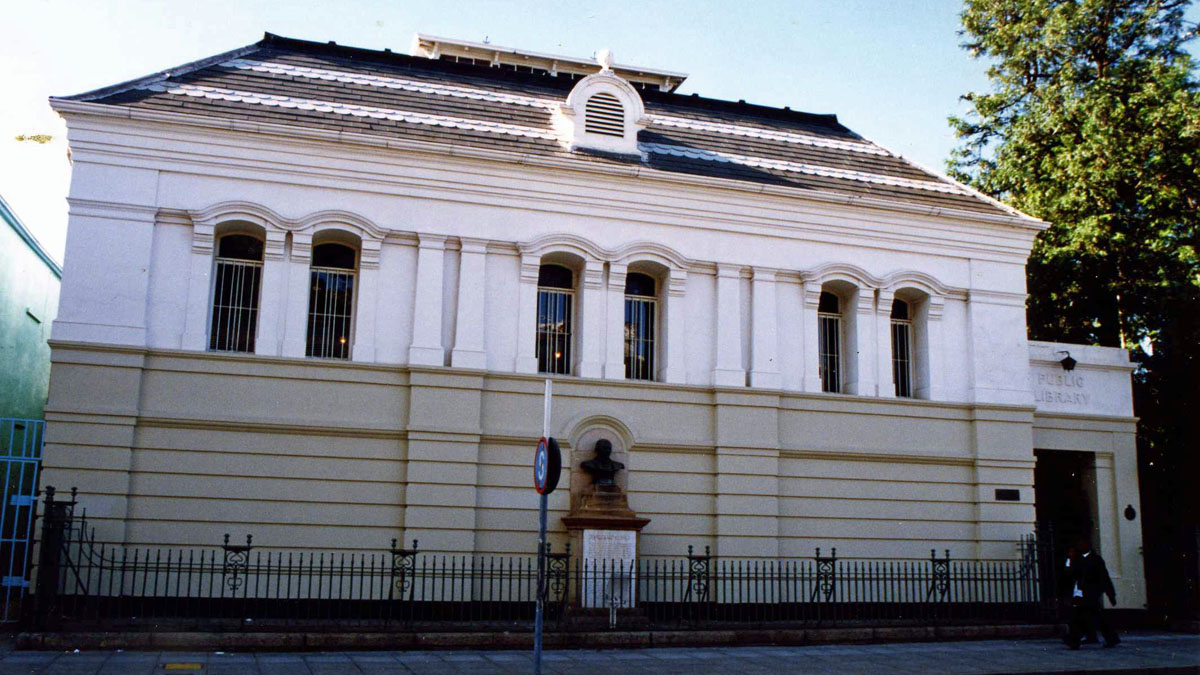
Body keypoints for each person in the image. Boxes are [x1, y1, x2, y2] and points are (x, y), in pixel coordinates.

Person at [1064, 536, 1119, 649]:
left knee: (1094, 617)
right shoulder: (1077, 559)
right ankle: (1076, 640)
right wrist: (1069, 559)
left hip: (1091, 593)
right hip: (1079, 592)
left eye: (1082, 545)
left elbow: (1104, 577)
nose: (1080, 547)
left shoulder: (1096, 560)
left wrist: (1111, 594)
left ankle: (1110, 638)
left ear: (1088, 546)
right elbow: (1069, 573)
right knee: (1079, 616)